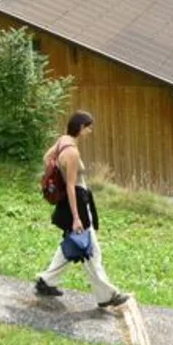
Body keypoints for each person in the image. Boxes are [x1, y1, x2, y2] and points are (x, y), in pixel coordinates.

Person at [34, 111, 130, 309]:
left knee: (74, 244)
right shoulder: (72, 152)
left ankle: (46, 281)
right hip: (76, 202)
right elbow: (71, 186)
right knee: (89, 250)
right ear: (80, 127)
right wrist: (77, 217)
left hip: (73, 200)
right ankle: (107, 296)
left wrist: (58, 174)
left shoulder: (62, 141)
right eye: (88, 127)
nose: (90, 131)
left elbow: (46, 158)